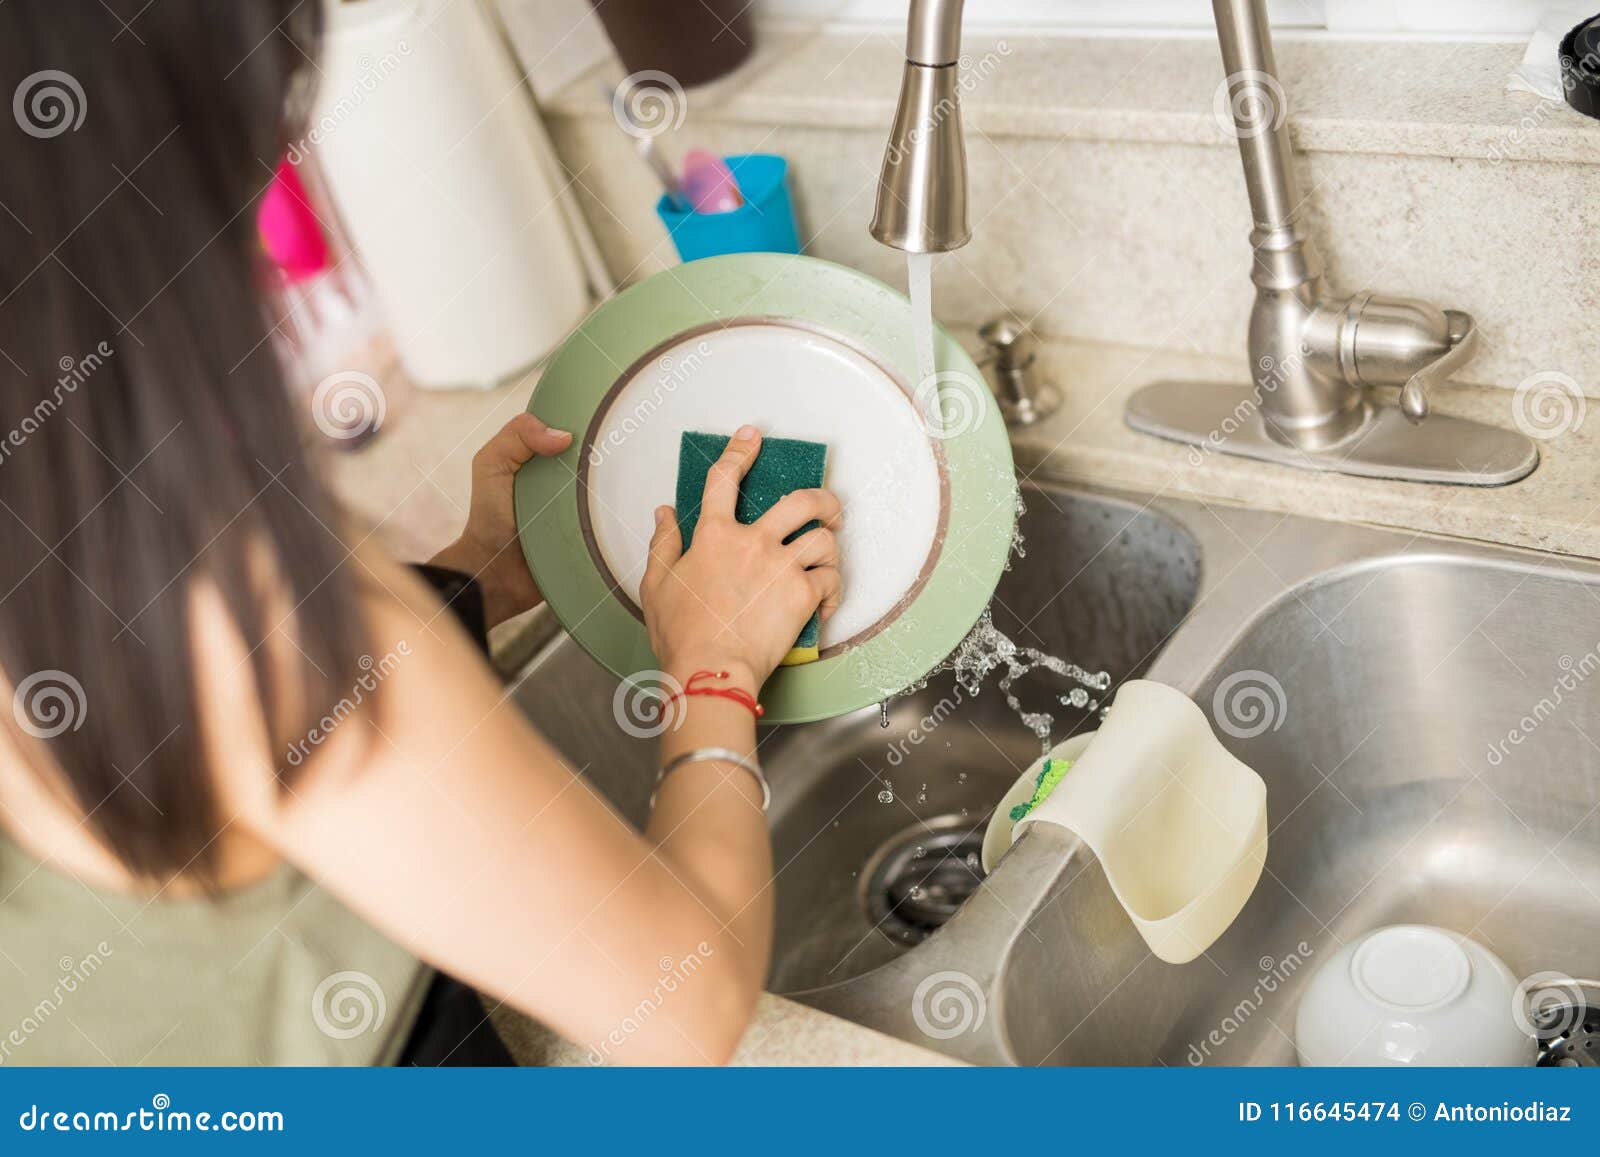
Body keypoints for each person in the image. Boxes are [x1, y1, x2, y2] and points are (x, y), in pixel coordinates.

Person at [0, 1, 840, 1065]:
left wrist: (461, 583)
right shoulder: (234, 605)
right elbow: (688, 1004)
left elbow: (210, 758)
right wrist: (714, 670)